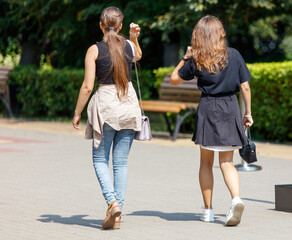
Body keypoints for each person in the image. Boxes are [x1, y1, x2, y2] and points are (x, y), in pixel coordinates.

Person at [170, 15, 253, 226]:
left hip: (208, 109)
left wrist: (185, 57)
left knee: (206, 163)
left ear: (198, 36)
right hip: (230, 108)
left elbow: (174, 80)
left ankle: (207, 211)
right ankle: (236, 199)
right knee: (227, 162)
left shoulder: (197, 59)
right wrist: (248, 113)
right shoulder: (234, 55)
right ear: (221, 33)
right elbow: (245, 87)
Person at [72, 6, 142, 230]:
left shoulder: (94, 50)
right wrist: (133, 38)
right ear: (120, 26)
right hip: (129, 107)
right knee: (121, 163)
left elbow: (87, 86)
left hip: (107, 109)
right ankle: (117, 215)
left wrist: (77, 112)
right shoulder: (129, 46)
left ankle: (112, 204)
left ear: (100, 25)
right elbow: (138, 56)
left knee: (100, 160)